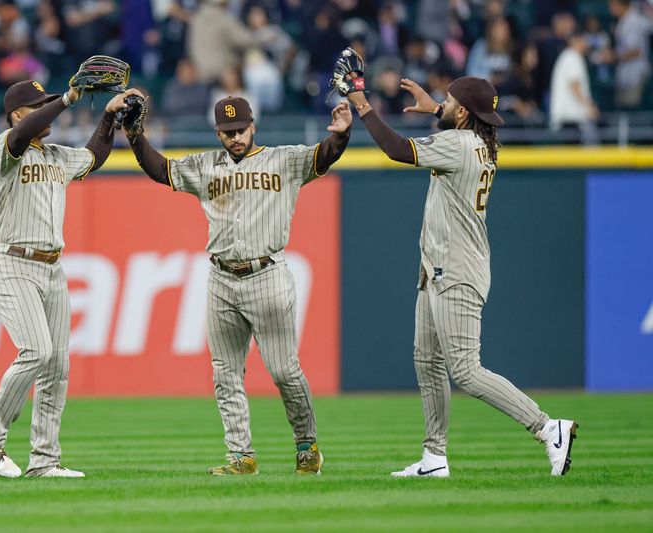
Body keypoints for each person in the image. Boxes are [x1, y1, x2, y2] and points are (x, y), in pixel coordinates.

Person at [330, 48, 578, 477]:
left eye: (447, 102)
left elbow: (395, 149)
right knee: (426, 359)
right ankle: (434, 457)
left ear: (463, 114)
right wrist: (439, 112)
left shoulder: (460, 143)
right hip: (441, 267)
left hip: (457, 269)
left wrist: (361, 101)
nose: (438, 103)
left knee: (465, 368)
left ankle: (546, 426)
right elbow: (447, 135)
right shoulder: (475, 141)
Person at [124, 89, 352, 475]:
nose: (235, 137)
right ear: (218, 134)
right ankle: (240, 456)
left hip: (267, 274)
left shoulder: (283, 160)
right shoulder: (205, 166)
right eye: (228, 131)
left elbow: (323, 154)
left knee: (284, 371)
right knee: (225, 373)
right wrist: (135, 137)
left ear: (253, 127)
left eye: (241, 129)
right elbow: (161, 170)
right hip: (221, 279)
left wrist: (342, 135)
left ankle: (306, 445)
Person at [0, 78, 129, 478]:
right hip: (11, 264)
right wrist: (69, 98)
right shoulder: (6, 147)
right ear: (19, 114)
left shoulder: (55, 155)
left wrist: (108, 118)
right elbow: (22, 134)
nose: (48, 110)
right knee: (36, 351)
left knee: (57, 365)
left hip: (51, 268)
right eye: (39, 105)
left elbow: (93, 158)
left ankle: (44, 460)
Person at [549, 31, 599, 144]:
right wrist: (589, 106)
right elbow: (574, 85)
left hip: (567, 121)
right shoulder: (572, 57)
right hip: (570, 121)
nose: (586, 43)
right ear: (575, 40)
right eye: (583, 40)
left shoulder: (567, 56)